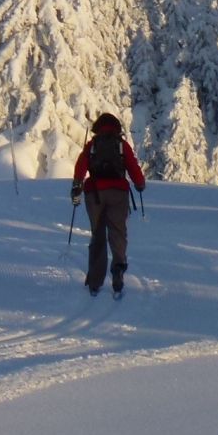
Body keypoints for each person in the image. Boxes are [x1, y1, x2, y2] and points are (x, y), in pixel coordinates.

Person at [71, 112, 146, 297]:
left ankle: (95, 281)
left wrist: (77, 186)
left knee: (97, 234)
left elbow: (81, 165)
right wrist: (139, 184)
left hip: (94, 194)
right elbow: (133, 166)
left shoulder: (92, 145)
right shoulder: (121, 145)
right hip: (118, 193)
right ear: (116, 127)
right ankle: (118, 269)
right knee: (117, 232)